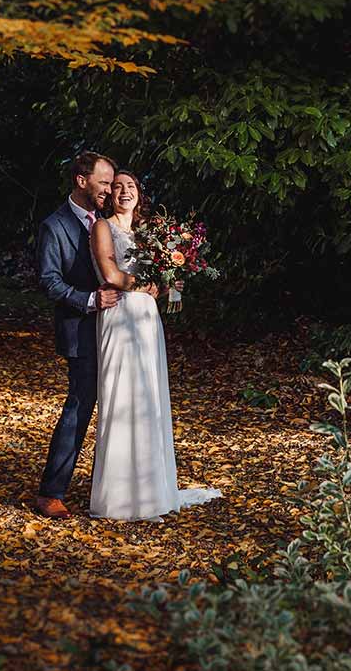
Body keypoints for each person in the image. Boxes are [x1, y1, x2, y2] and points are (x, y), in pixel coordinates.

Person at [87, 169, 221, 520]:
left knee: (149, 397)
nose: (123, 191)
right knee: (121, 397)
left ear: (139, 194)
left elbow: (162, 281)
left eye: (130, 186)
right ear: (110, 195)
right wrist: (143, 283)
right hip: (119, 315)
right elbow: (111, 274)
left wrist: (165, 284)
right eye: (117, 187)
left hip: (146, 319)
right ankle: (118, 497)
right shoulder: (102, 227)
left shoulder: (150, 234)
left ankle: (149, 492)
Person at [31, 151, 121, 520]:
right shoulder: (54, 226)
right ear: (81, 181)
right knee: (80, 406)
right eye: (104, 182)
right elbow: (49, 281)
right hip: (82, 328)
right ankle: (51, 491)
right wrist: (88, 299)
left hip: (121, 330)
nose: (110, 189)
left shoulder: (113, 221)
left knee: (123, 405)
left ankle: (118, 486)